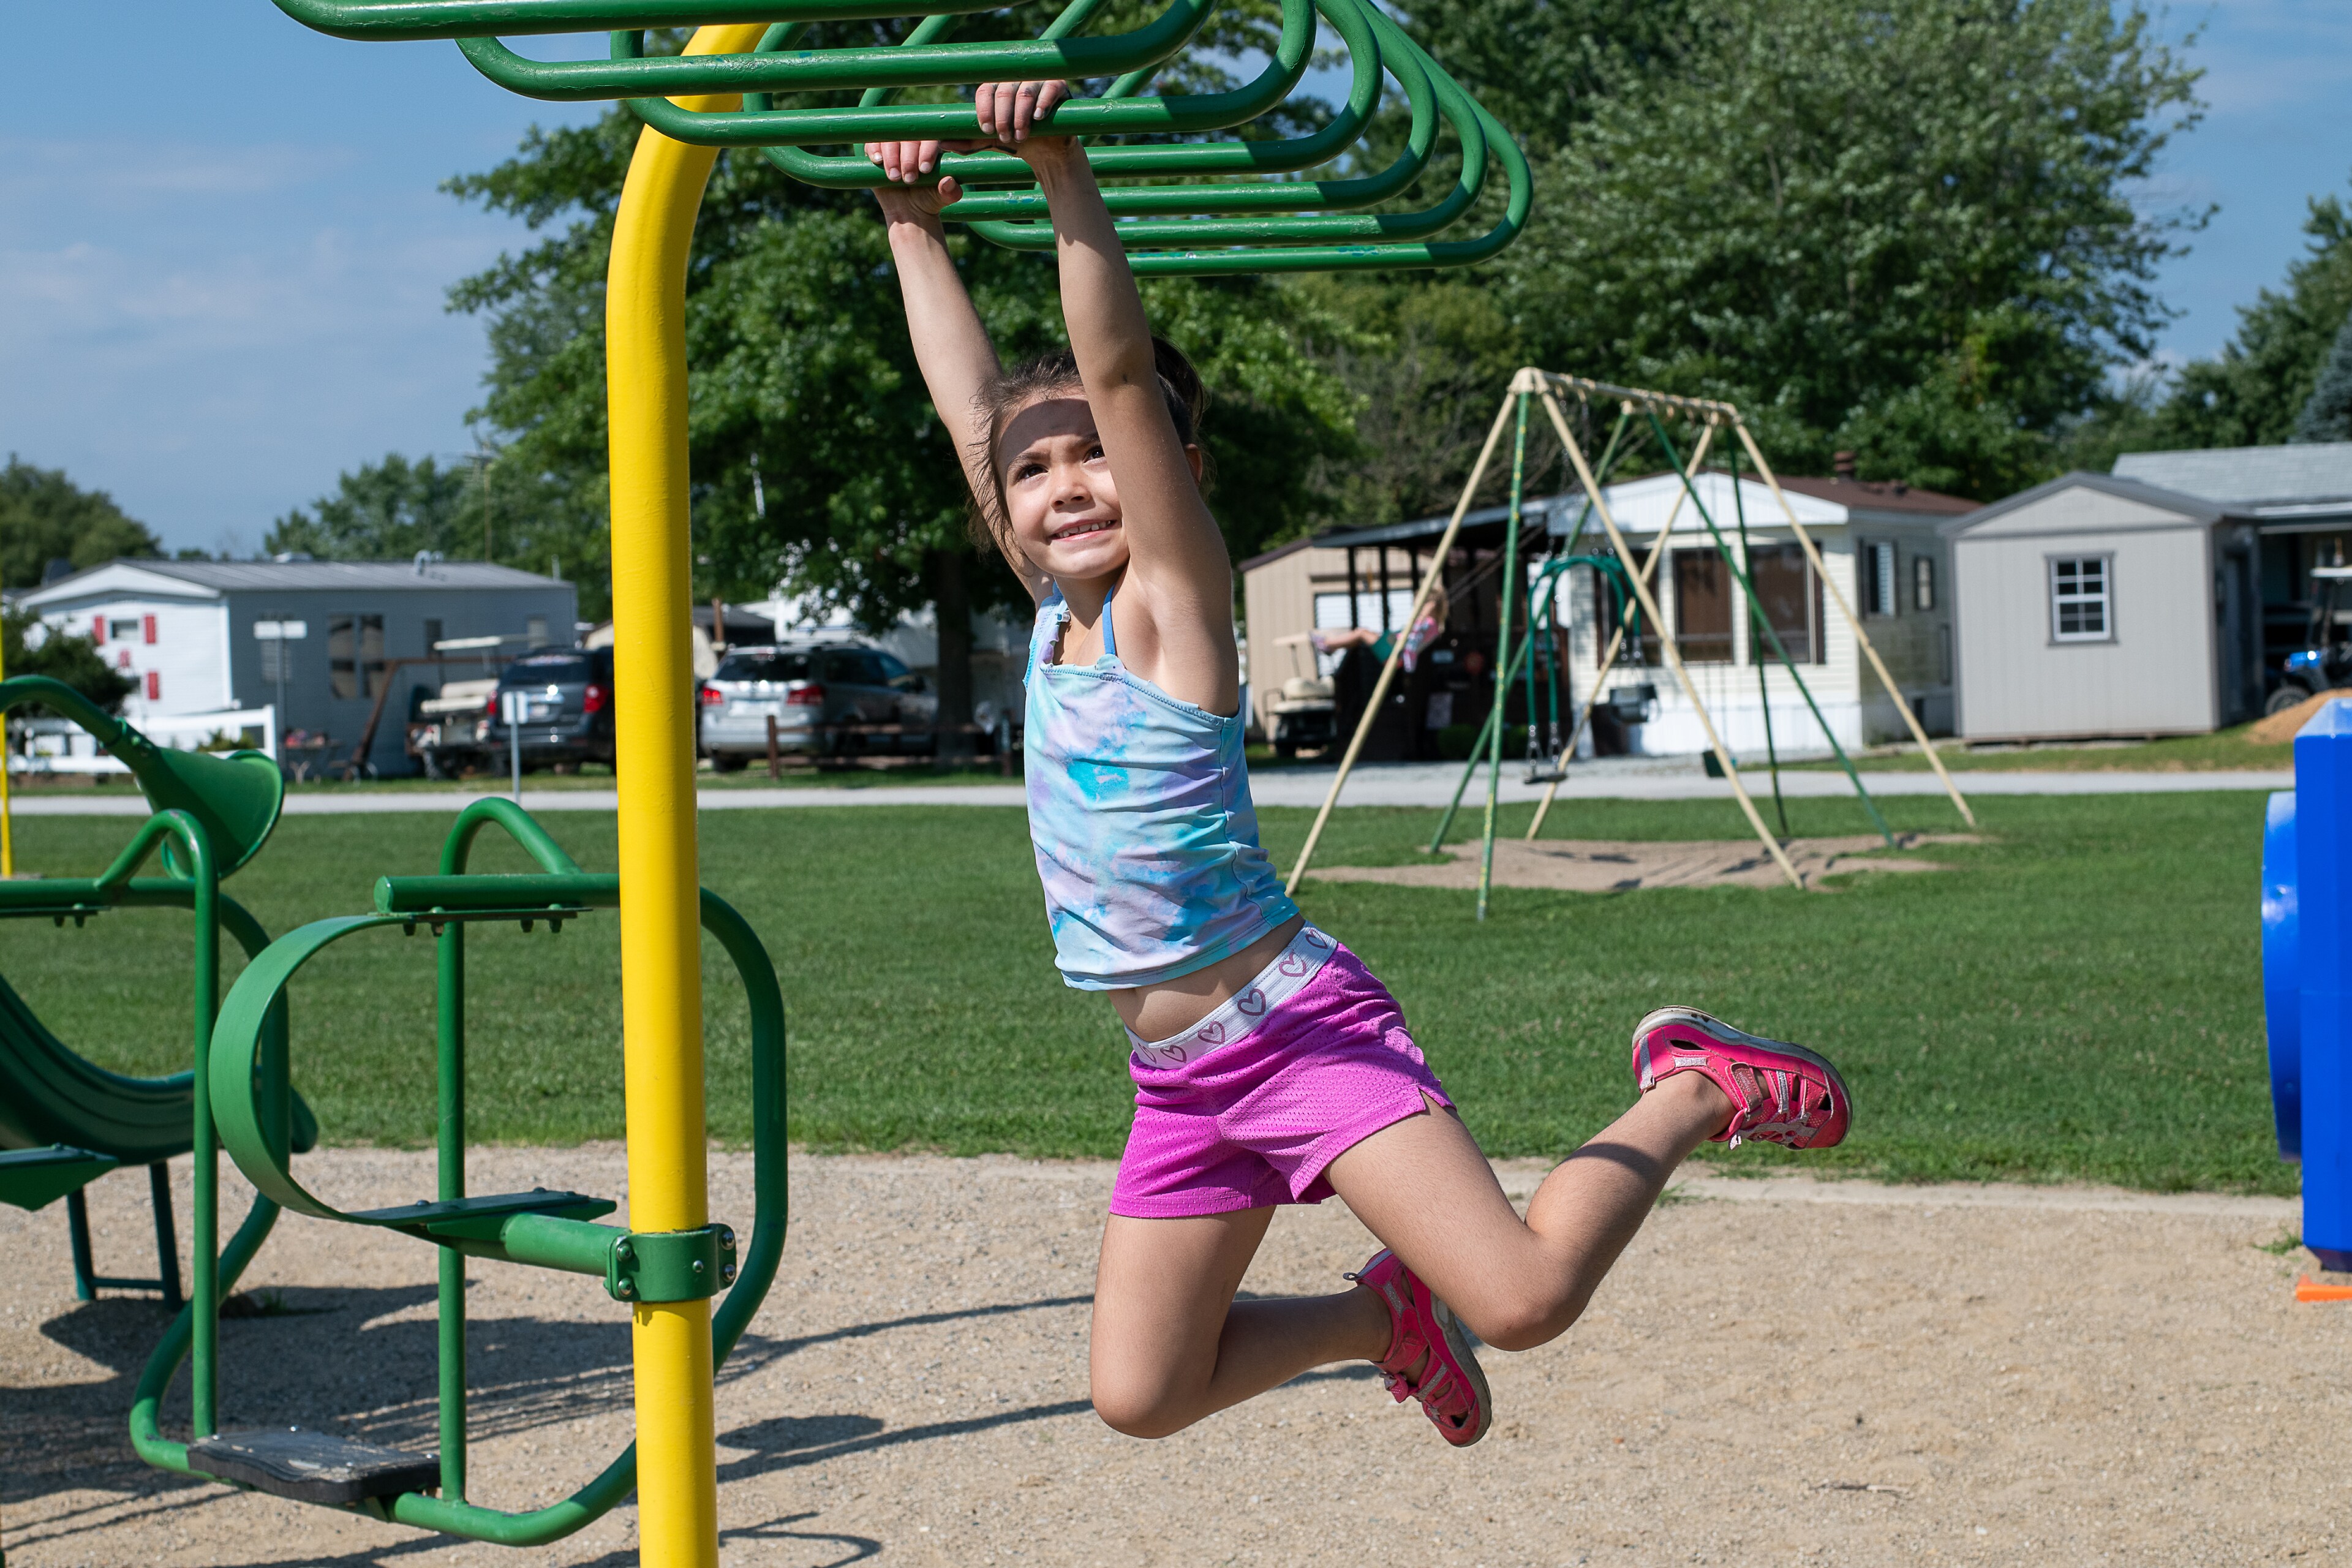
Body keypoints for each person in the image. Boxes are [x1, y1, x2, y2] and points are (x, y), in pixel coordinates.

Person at [866, 81, 1853, 1448]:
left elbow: (1115, 371)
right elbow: (968, 404)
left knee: (1523, 1298)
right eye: (1032, 474)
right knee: (1143, 1392)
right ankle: (1378, 1319)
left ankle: (1693, 1084)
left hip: (1292, 1029)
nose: (1064, 483)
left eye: (1098, 456)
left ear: (1172, 468)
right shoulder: (1052, 617)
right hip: (1178, 1076)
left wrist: (1058, 168)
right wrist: (910, 226)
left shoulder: (1170, 605)